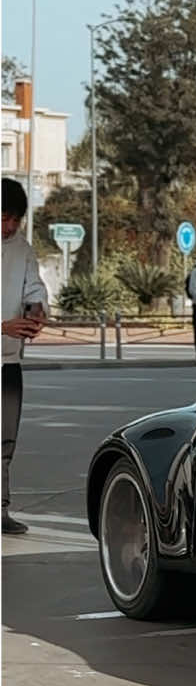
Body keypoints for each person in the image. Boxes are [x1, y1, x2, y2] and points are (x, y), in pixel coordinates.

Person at [2, 178, 47, 534]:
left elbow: (34, 286)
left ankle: (0, 511)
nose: (10, 226)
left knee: (5, 439)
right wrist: (3, 326)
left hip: (9, 362)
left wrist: (36, 311)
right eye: (4, 218)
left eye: (16, 219)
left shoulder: (23, 248)